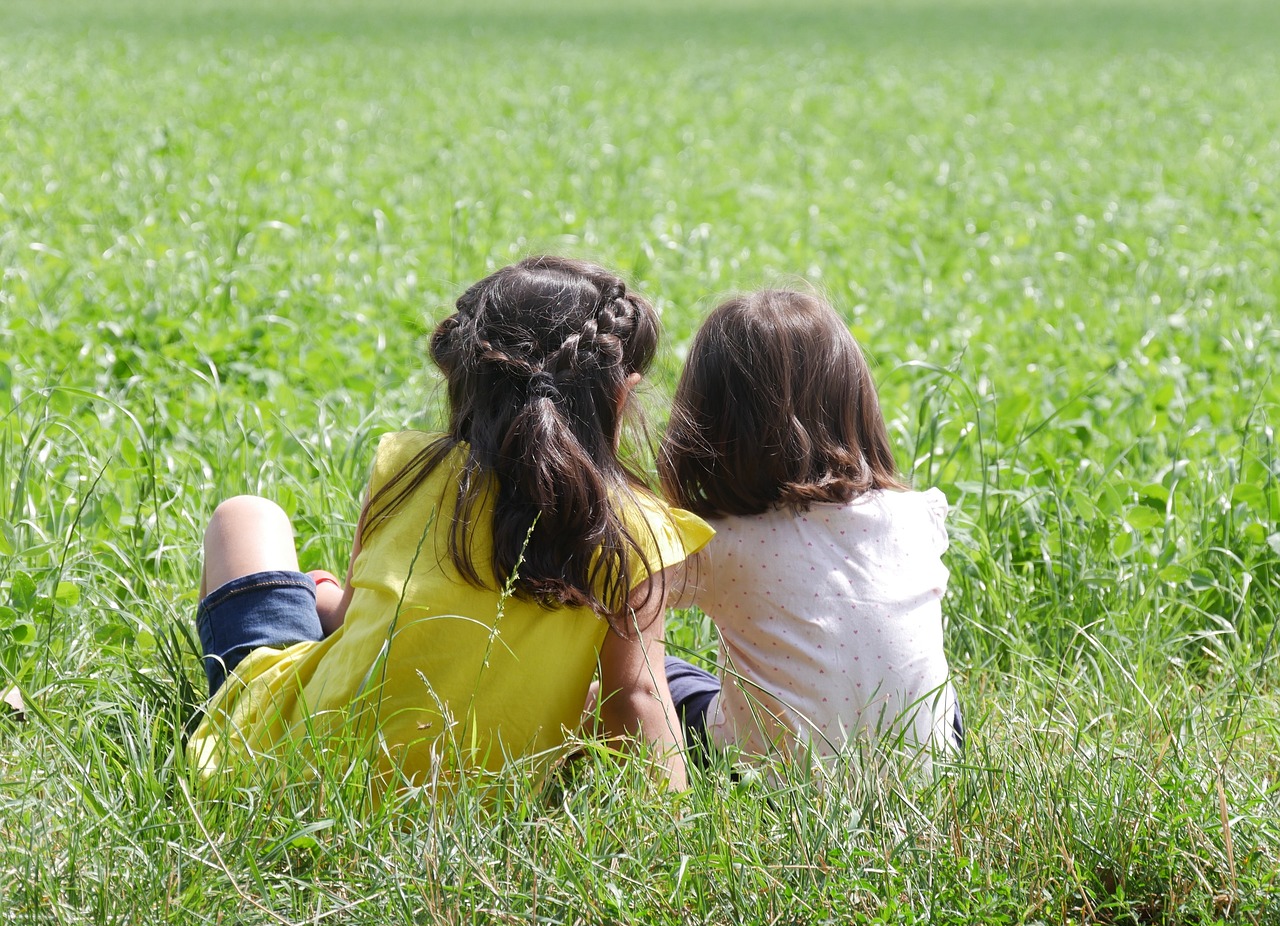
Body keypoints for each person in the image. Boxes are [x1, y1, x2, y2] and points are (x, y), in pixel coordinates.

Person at [188, 256, 713, 795]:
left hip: (284, 772)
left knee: (246, 516)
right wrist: (667, 835)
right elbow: (638, 698)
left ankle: (229, 710)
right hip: (479, 806)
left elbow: (347, 621)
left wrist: (321, 594)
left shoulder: (405, 467)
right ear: (622, 396)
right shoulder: (636, 531)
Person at [656, 289, 961, 774]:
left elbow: (624, 587)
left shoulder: (718, 544)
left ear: (711, 428)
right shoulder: (913, 515)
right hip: (931, 768)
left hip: (774, 782)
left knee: (666, 676)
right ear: (855, 403)